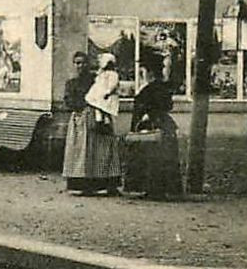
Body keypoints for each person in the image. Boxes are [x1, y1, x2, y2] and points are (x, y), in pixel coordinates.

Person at [130, 52, 182, 200]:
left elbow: (164, 105)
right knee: (153, 157)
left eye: (143, 71)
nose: (142, 73)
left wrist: (149, 114)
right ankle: (153, 188)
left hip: (154, 125)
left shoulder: (154, 88)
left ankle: (156, 189)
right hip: (157, 125)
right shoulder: (156, 87)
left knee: (154, 156)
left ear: (150, 72)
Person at [77, 50, 123, 195]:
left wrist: (106, 94)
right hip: (96, 106)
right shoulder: (98, 77)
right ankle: (92, 183)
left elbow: (111, 87)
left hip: (104, 104)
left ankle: (109, 183)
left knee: (106, 148)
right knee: (93, 150)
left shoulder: (109, 76)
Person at [61, 50, 105, 193]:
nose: (80, 66)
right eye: (77, 63)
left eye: (83, 63)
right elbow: (68, 100)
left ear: (87, 64)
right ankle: (78, 183)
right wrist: (79, 106)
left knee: (96, 150)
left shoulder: (95, 80)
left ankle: (98, 183)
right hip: (79, 118)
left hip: (95, 116)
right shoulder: (71, 83)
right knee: (79, 151)